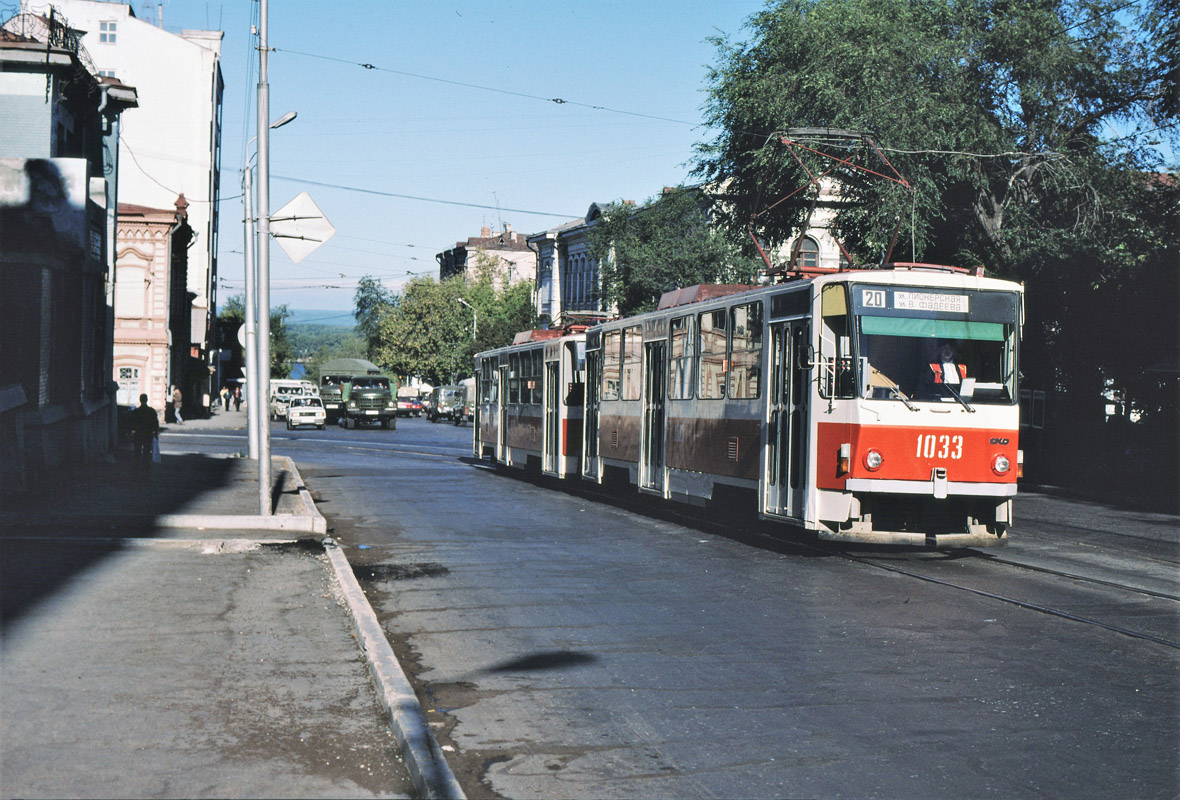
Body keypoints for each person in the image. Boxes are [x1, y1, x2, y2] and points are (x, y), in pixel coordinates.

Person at [128, 393, 160, 475]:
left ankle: (136, 467)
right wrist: (156, 433)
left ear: (140, 400)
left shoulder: (136, 411)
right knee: (146, 451)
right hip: (148, 434)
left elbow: (132, 423)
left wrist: (131, 432)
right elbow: (155, 423)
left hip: (138, 434)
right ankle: (145, 468)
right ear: (147, 400)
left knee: (137, 451)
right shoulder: (151, 411)